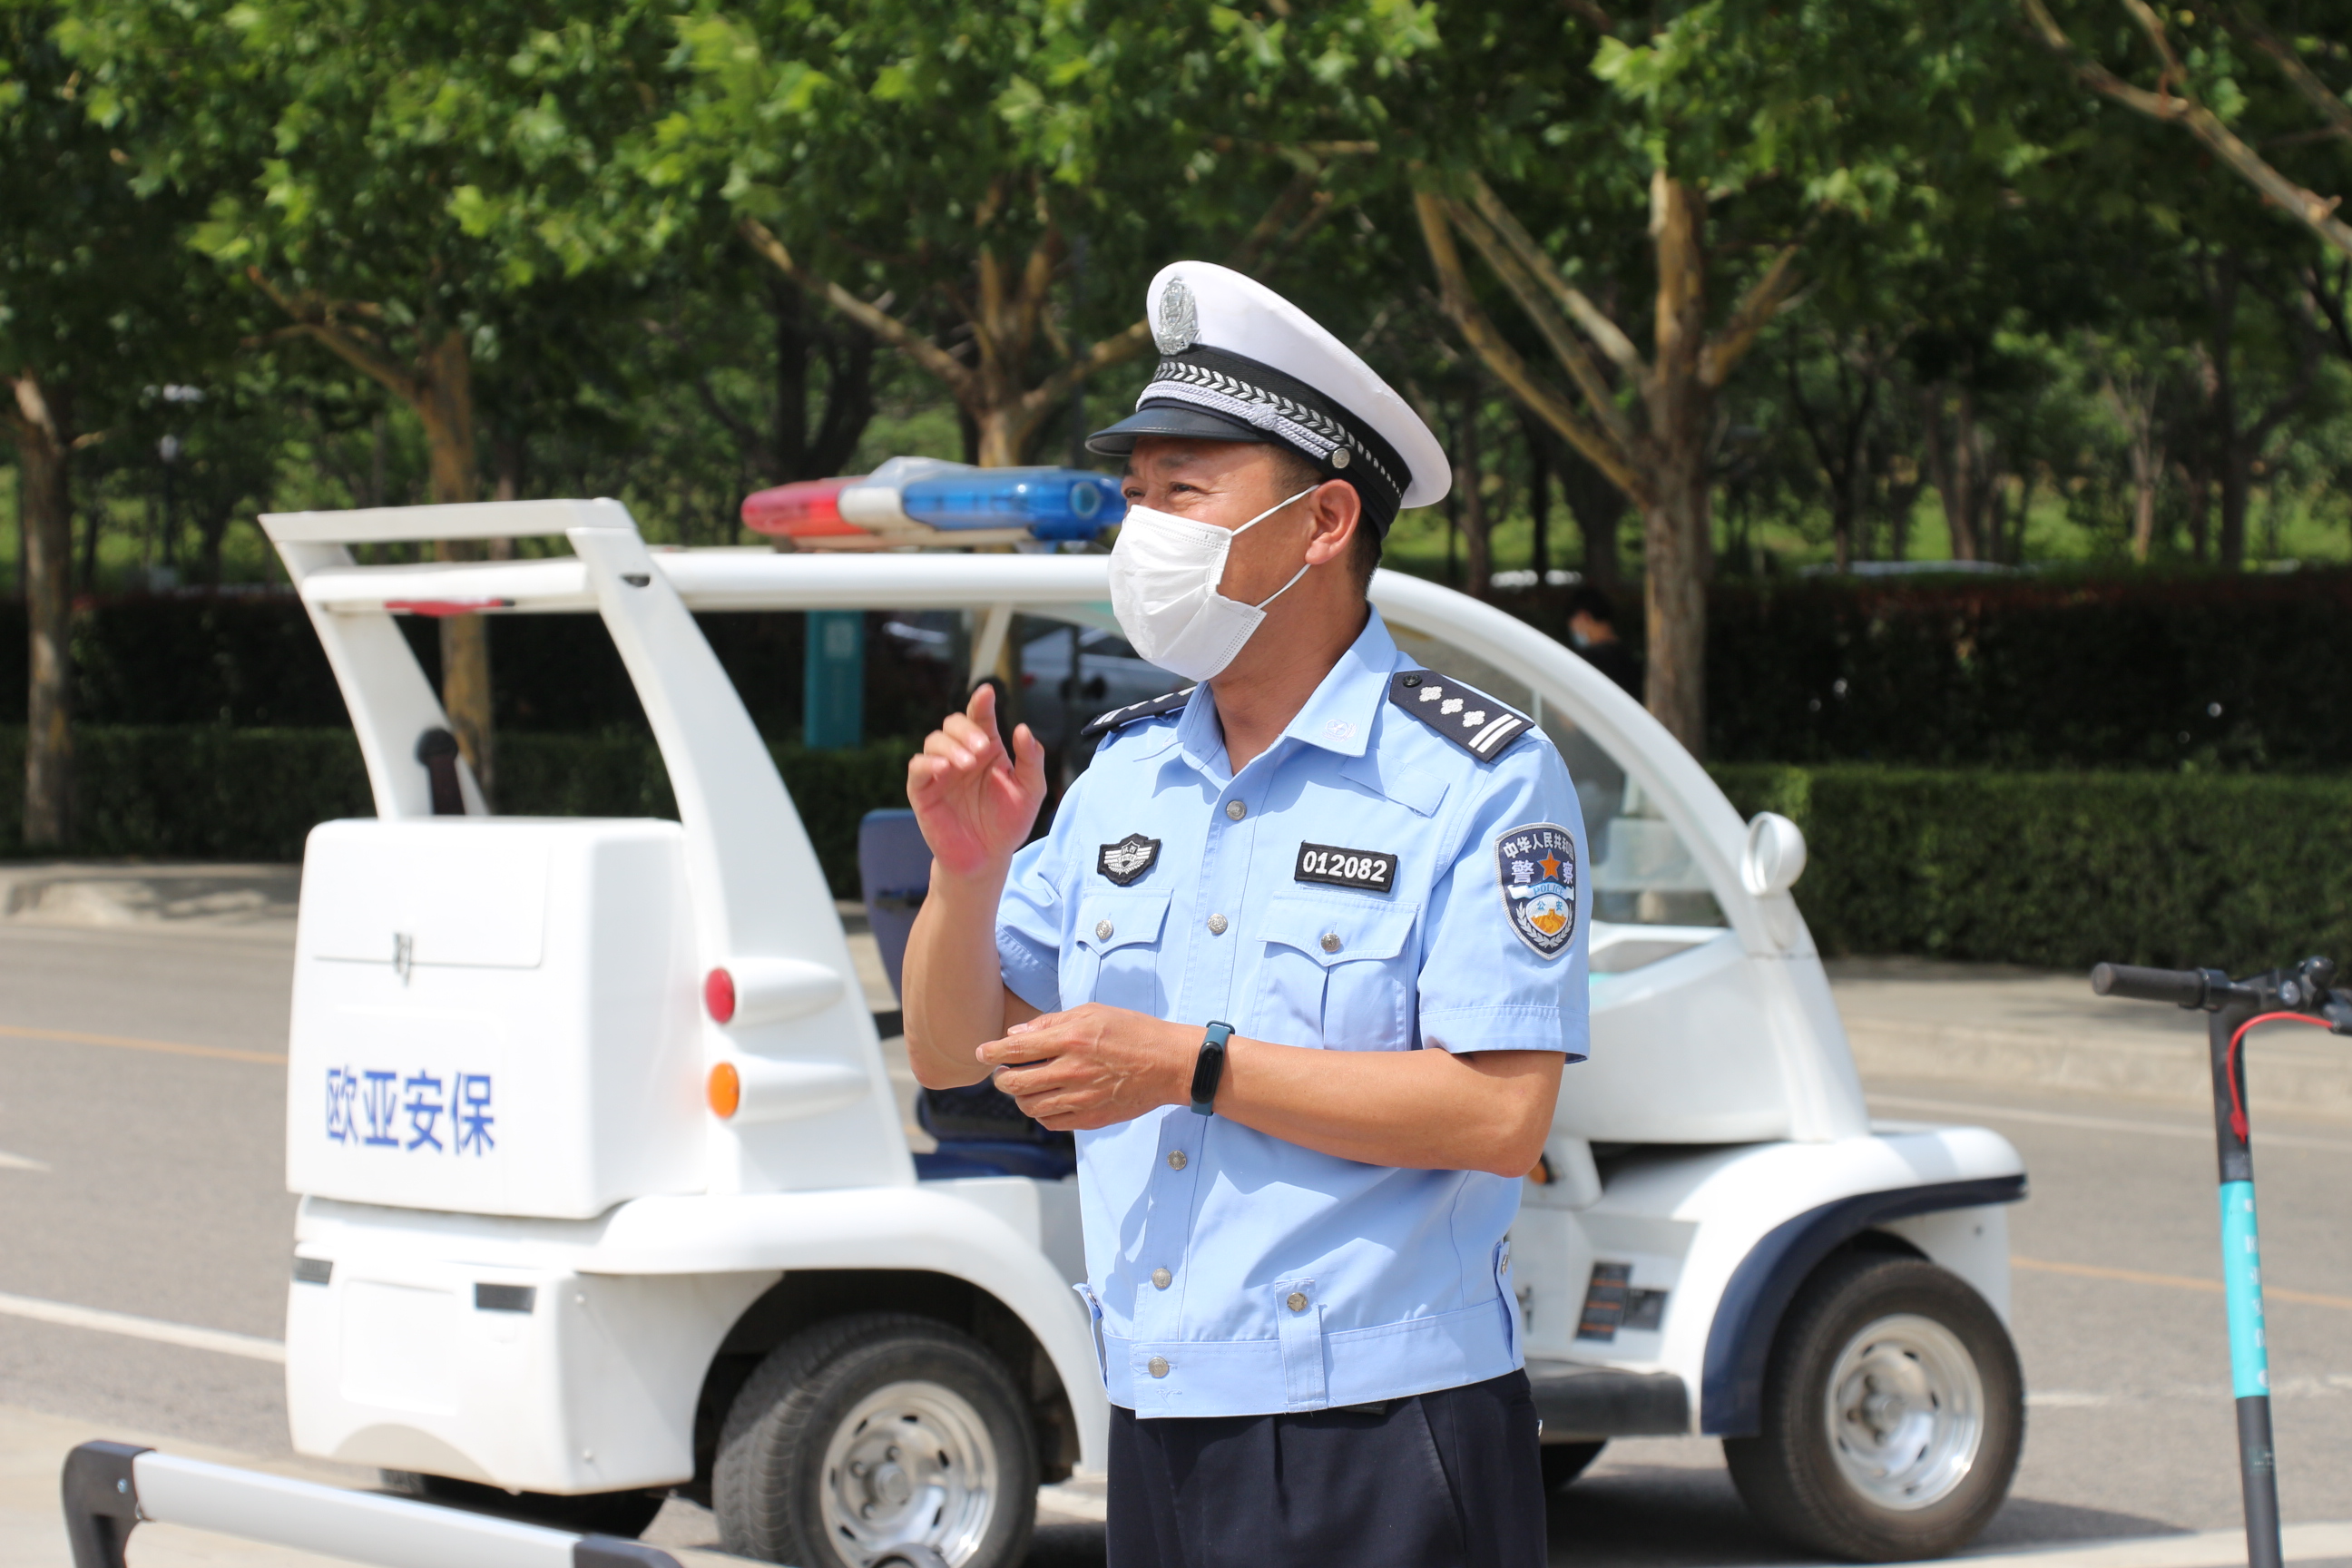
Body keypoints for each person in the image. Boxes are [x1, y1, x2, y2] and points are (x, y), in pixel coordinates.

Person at [900, 260, 1589, 1568]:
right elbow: (948, 1057)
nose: (1143, 530)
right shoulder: (1122, 772)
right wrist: (966, 873)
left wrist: (1187, 1066)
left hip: (1383, 1428)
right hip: (1159, 1418)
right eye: (1136, 494)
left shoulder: (1479, 776)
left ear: (1324, 520)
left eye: (1184, 490)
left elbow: (1500, 1114)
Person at [1564, 584, 1642, 700]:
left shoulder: (1589, 660)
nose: (1573, 631)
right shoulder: (1632, 657)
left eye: (1572, 625)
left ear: (1583, 617)